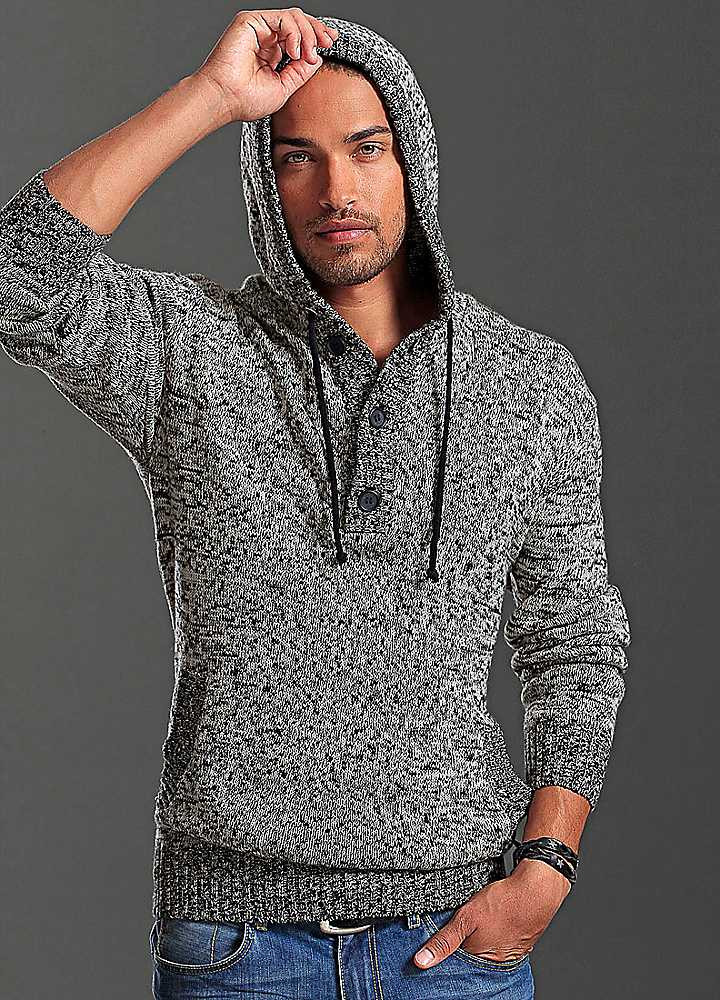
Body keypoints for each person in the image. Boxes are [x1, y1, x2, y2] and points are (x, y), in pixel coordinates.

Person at [0, 10, 632, 999]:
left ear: (413, 162)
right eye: (297, 157)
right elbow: (16, 278)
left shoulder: (531, 381)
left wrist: (548, 865)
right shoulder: (192, 351)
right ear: (266, 180)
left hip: (454, 939)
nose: (337, 189)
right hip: (235, 946)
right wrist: (212, 97)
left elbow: (574, 636)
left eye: (366, 148)